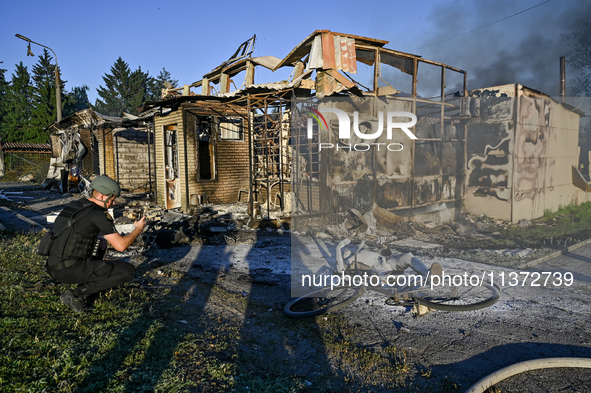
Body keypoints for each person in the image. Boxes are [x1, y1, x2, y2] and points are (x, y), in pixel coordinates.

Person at [46, 175, 146, 312]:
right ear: (103, 197)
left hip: (54, 266)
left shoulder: (76, 206)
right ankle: (76, 295)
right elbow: (121, 246)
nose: (114, 203)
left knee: (100, 244)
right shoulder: (99, 214)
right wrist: (137, 229)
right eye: (112, 199)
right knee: (128, 271)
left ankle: (86, 283)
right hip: (69, 269)